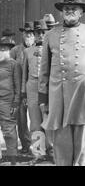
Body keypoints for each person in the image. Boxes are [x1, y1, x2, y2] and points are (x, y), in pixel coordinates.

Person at [38, 0, 85, 166]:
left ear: (81, 12)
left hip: (84, 91)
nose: (70, 11)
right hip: (58, 91)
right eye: (66, 8)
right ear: (61, 12)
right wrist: (42, 97)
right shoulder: (50, 34)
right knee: (60, 137)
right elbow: (44, 69)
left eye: (73, 8)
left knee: (82, 136)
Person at [21, 20, 54, 164]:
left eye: (43, 32)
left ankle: (52, 150)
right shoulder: (27, 51)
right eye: (37, 33)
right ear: (33, 34)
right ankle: (38, 153)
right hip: (32, 87)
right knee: (35, 122)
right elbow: (24, 74)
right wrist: (24, 93)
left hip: (48, 87)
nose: (40, 35)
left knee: (49, 119)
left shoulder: (53, 50)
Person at [10, 22, 34, 154]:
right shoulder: (15, 51)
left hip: (34, 89)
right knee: (21, 120)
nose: (28, 35)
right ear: (23, 34)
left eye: (31, 33)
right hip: (19, 90)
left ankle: (40, 147)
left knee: (37, 120)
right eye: (26, 33)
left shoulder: (38, 50)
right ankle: (25, 144)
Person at [0, 37, 21, 165]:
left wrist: (16, 102)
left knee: (9, 130)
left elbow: (18, 84)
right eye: (1, 48)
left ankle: (13, 158)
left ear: (9, 50)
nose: (3, 50)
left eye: (5, 48)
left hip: (8, 102)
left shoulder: (14, 64)